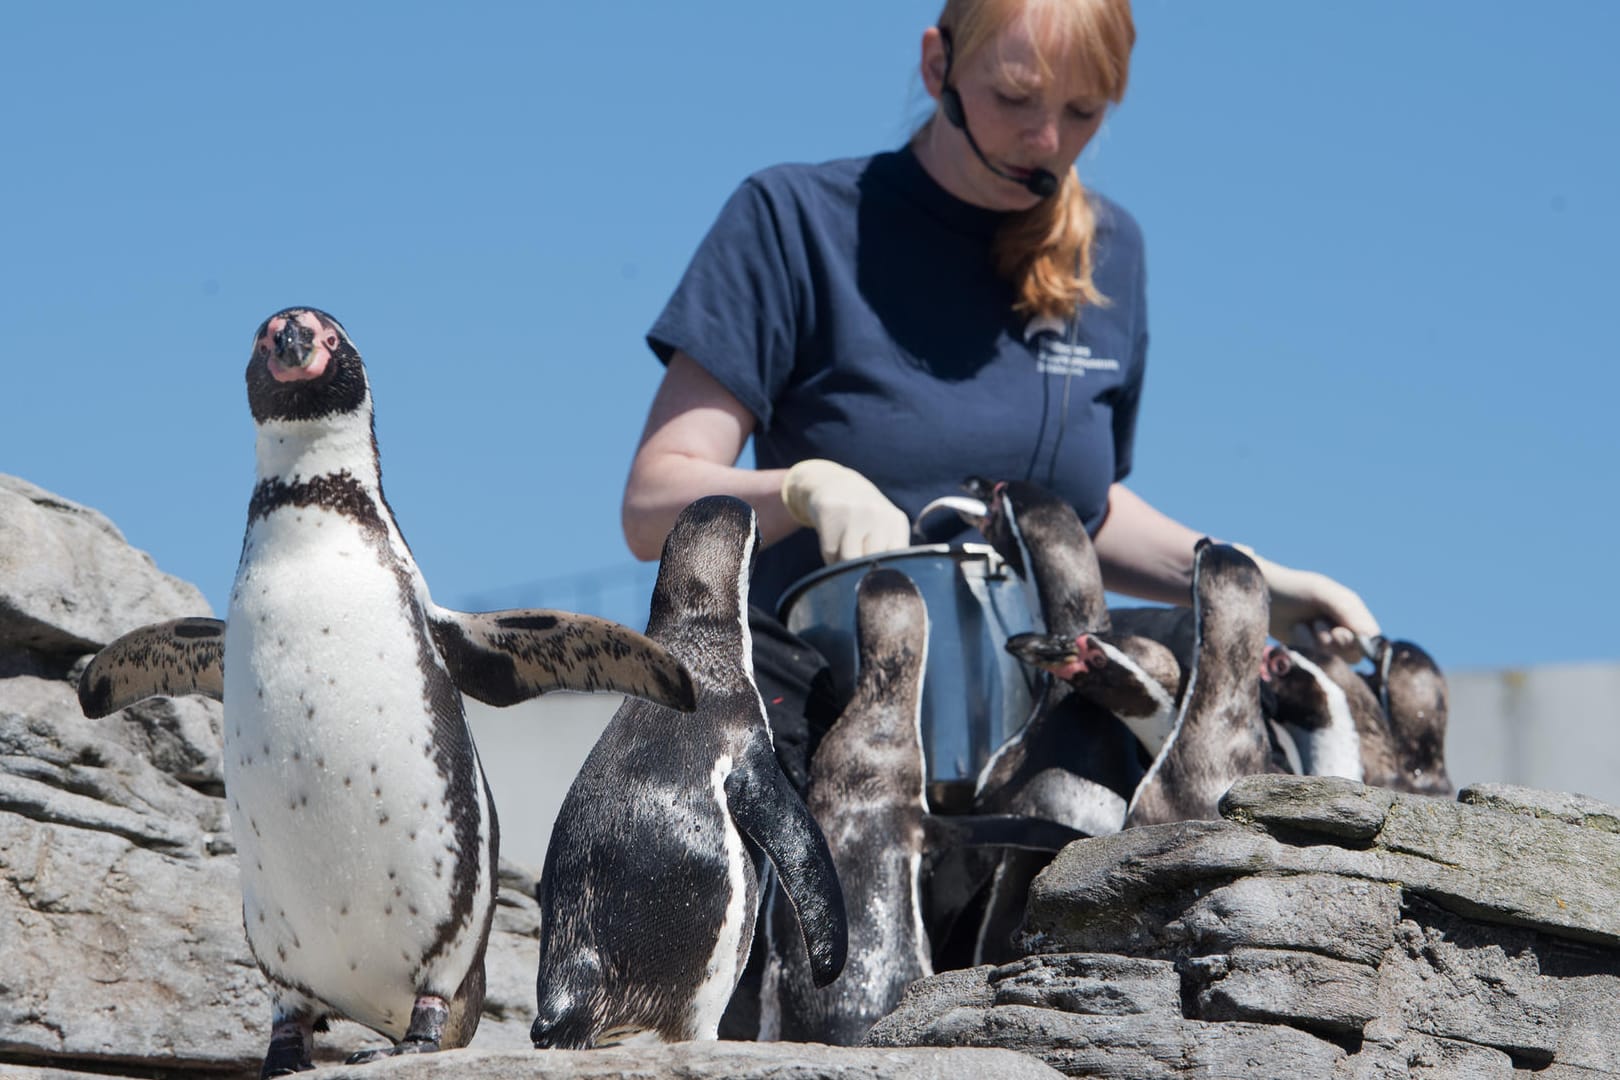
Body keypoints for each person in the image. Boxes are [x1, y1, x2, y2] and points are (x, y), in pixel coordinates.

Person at [621, 0, 1379, 788]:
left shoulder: (1111, 255)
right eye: (1015, 97)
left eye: (1083, 111)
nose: (1048, 139)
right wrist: (804, 489)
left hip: (1043, 695)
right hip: (820, 702)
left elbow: (1082, 512)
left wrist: (1244, 585)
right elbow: (651, 505)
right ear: (936, 66)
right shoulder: (792, 221)